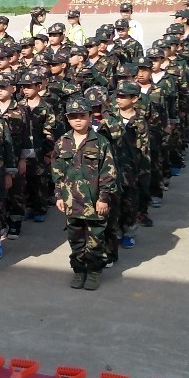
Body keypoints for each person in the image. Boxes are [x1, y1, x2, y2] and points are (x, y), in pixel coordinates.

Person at [52, 95, 117, 291]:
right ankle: (79, 271)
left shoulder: (101, 142)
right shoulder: (62, 142)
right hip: (72, 202)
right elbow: (57, 171)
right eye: (73, 116)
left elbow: (109, 172)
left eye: (82, 115)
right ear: (67, 118)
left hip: (95, 202)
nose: (78, 120)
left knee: (96, 240)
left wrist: (104, 198)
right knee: (76, 239)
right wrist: (59, 196)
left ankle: (94, 272)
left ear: (90, 116)